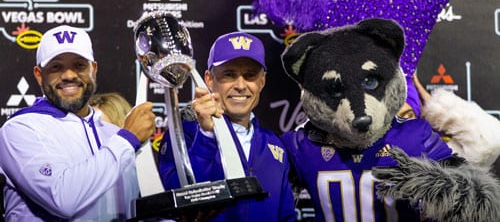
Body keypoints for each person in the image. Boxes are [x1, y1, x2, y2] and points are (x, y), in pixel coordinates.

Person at [0, 25, 156, 221]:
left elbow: (138, 209)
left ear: (94, 69)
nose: (69, 75)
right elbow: (62, 199)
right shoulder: (20, 130)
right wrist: (128, 138)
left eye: (79, 65)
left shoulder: (114, 134)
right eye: (56, 67)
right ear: (39, 75)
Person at [158, 32, 296, 222]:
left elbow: (286, 216)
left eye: (250, 75)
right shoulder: (182, 136)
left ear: (262, 82)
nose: (241, 85)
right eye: (229, 75)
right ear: (209, 79)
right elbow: (177, 206)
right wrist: (206, 136)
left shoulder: (274, 145)